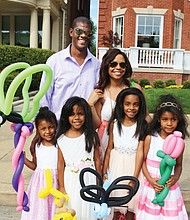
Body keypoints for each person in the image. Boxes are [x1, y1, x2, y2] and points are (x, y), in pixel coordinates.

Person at [88, 48, 151, 162]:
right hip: (107, 140)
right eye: (113, 64)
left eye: (122, 65)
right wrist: (90, 105)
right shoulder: (101, 92)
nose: (118, 68)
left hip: (132, 139)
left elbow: (146, 116)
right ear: (106, 66)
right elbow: (96, 124)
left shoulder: (135, 88)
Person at [136, 94, 189, 220]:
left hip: (168, 186)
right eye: (165, 119)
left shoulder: (179, 141)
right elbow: (143, 161)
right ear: (159, 119)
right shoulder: (151, 138)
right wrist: (150, 179)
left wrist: (175, 177)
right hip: (152, 184)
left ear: (178, 120)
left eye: (173, 119)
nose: (169, 123)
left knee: (169, 215)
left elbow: (179, 165)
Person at [40, 16, 100, 121]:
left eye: (88, 33)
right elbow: (44, 96)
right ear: (71, 32)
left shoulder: (97, 65)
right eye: (79, 31)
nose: (83, 35)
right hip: (59, 126)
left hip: (85, 128)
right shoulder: (54, 61)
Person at [102, 87, 148, 220]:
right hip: (115, 168)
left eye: (136, 104)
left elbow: (140, 153)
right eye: (127, 104)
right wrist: (105, 172)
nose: (131, 108)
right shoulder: (114, 124)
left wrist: (134, 178)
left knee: (130, 207)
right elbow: (109, 149)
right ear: (121, 104)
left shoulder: (142, 126)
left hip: (133, 169)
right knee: (114, 205)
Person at [57, 96, 101, 220]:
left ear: (86, 115)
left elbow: (97, 160)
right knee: (73, 209)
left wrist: (99, 183)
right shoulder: (61, 139)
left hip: (90, 179)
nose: (76, 118)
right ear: (66, 117)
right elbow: (60, 164)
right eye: (72, 114)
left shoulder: (91, 135)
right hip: (71, 181)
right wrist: (61, 186)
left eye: (80, 114)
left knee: (89, 209)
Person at [21, 107, 58, 220]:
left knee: (54, 209)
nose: (48, 131)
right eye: (43, 129)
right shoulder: (37, 146)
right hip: (40, 183)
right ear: (38, 129)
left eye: (51, 127)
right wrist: (24, 160)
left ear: (56, 126)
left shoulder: (59, 144)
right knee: (40, 208)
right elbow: (35, 166)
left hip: (55, 181)